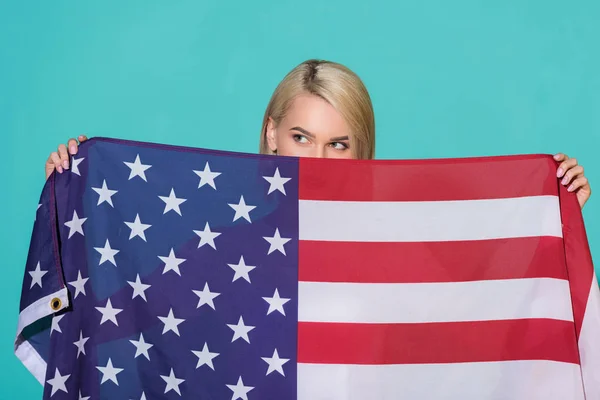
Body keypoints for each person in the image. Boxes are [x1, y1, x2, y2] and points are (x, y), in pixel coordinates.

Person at [44, 59, 592, 209]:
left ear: (362, 152)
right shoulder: (216, 235)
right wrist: (75, 195)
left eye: (338, 143)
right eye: (302, 137)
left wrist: (552, 211)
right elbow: (130, 321)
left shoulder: (401, 240)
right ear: (271, 134)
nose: (316, 160)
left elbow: (486, 317)